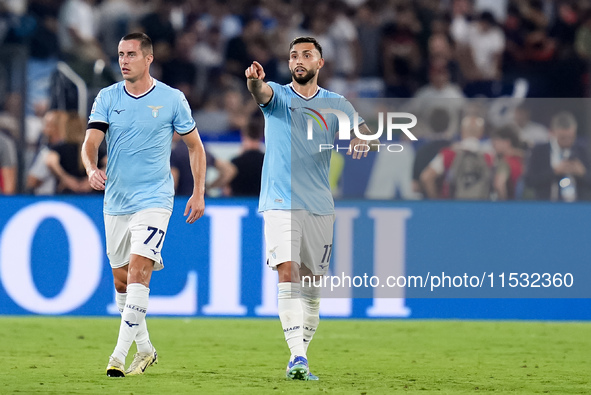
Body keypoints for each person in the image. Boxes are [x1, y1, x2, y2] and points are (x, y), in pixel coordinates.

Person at [245, 36, 377, 381]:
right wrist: (254, 81)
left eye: (307, 55)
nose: (298, 60)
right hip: (279, 201)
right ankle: (297, 357)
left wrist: (362, 139)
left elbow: (367, 133)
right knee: (286, 271)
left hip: (319, 204)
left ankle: (301, 351)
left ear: (320, 63)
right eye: (293, 56)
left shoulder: (336, 103)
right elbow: (261, 93)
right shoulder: (277, 96)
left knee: (313, 286)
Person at [81, 32, 206, 377]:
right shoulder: (107, 97)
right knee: (122, 282)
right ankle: (146, 349)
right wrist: (91, 168)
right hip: (116, 200)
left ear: (148, 58)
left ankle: (117, 358)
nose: (123, 60)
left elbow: (195, 146)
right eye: (120, 54)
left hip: (154, 199)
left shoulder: (171, 99)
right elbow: (90, 141)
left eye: (131, 54)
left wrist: (198, 191)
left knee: (139, 271)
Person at [524, 111, 591, 201]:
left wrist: (583, 173)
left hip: (578, 206)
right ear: (553, 133)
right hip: (547, 205)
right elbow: (529, 181)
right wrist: (554, 172)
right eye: (563, 138)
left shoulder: (584, 150)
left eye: (571, 137)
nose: (568, 141)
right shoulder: (539, 151)